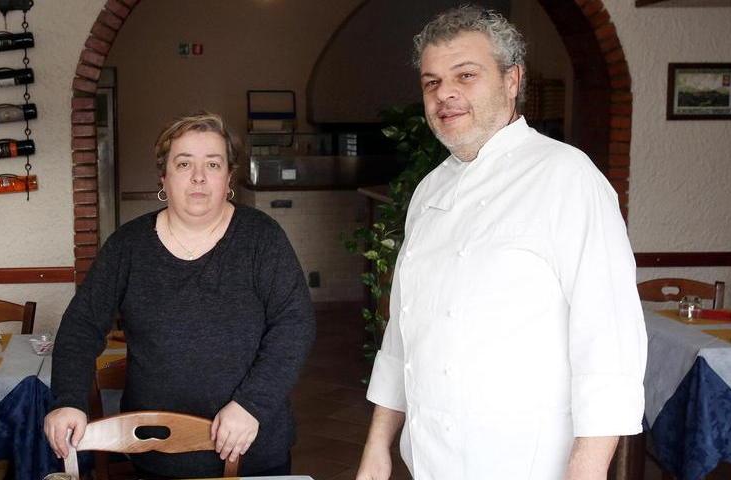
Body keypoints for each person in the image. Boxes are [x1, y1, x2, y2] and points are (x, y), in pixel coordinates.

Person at [355, 6, 647, 480]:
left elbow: (609, 347)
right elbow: (402, 336)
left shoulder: (567, 178)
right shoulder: (430, 191)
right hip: (429, 460)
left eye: (465, 75)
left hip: (526, 463)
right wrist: (377, 446)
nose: (444, 93)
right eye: (431, 82)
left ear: (513, 80)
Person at [44, 112, 315, 478]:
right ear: (164, 176)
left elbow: (294, 324)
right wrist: (69, 401)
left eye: (213, 164)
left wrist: (251, 405)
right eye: (184, 163)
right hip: (156, 452)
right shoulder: (128, 246)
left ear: (229, 177)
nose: (199, 177)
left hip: (251, 447)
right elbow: (81, 326)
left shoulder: (261, 238)